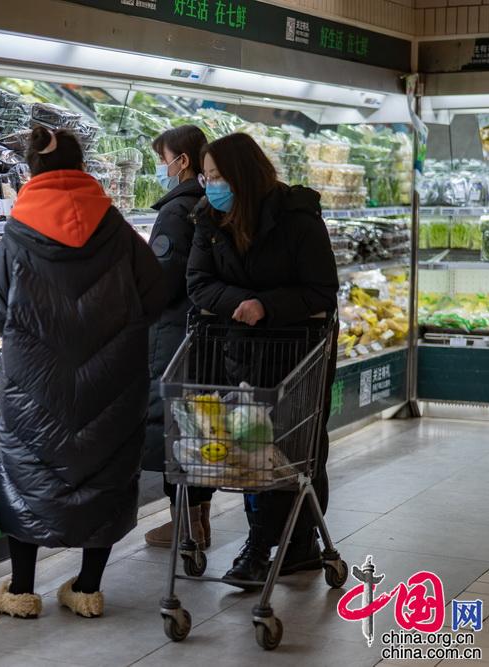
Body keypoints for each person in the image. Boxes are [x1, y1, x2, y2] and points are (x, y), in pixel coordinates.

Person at [0, 126, 165, 619]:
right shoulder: (116, 227)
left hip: (34, 380)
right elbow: (158, 292)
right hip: (111, 377)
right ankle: (86, 588)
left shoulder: (18, 231)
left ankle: (20, 590)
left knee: (28, 474)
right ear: (83, 166)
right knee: (103, 471)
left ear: (31, 170)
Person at [186, 132, 338, 587]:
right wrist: (241, 303)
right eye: (206, 176)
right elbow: (197, 281)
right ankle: (298, 546)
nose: (210, 184)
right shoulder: (209, 219)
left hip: (298, 351)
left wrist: (267, 306)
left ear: (244, 175)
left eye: (217, 176)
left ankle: (263, 547)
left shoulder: (297, 217)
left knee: (292, 450)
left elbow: (321, 291)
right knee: (254, 447)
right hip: (243, 351)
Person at [139, 125, 217, 550]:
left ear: (181, 160)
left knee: (175, 428)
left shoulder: (174, 212)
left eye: (163, 156)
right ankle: (199, 523)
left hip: (175, 334)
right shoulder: (207, 204)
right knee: (199, 428)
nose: (161, 166)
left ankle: (183, 525)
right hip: (204, 335)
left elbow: (163, 281)